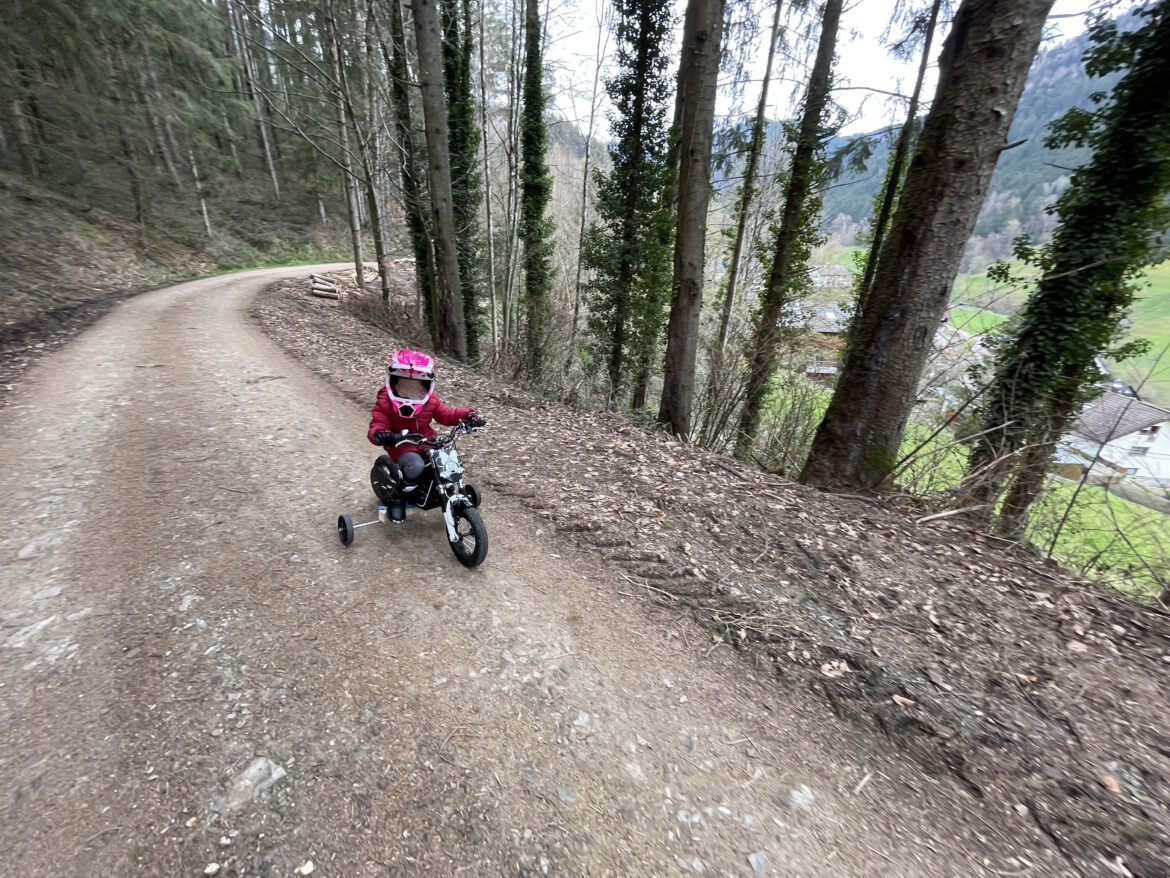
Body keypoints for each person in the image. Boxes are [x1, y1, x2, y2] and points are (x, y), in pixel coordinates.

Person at [367, 349, 480, 522]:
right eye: (404, 385)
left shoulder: (431, 401)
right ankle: (398, 498)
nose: (410, 390)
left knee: (447, 459)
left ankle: (442, 490)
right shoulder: (385, 402)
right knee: (416, 466)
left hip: (427, 441)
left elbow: (447, 415)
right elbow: (379, 423)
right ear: (394, 382)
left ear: (426, 385)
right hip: (401, 444)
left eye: (417, 386)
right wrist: (382, 434)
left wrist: (467, 415)